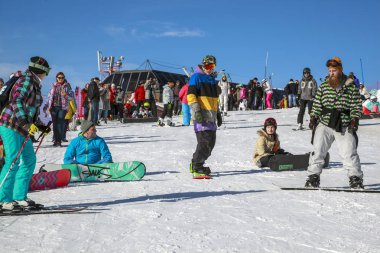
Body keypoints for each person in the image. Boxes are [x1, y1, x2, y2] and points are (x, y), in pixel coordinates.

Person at [0, 56, 51, 212]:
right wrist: (24, 122)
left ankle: (19, 196)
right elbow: (17, 101)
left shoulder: (35, 83)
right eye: (46, 72)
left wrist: (40, 126)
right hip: (11, 124)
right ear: (40, 70)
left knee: (29, 159)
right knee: (13, 160)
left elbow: (31, 109)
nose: (46, 75)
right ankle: (3, 199)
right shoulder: (26, 80)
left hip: (22, 127)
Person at [306, 57, 363, 189]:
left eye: (334, 70)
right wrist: (314, 117)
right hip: (325, 122)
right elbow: (317, 103)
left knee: (349, 151)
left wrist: (354, 119)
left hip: (344, 124)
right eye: (330, 70)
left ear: (340, 70)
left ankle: (355, 178)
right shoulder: (324, 86)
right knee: (318, 150)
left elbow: (356, 106)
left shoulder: (351, 86)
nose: (331, 73)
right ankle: (313, 177)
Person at [187, 55, 219, 177]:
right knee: (204, 143)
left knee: (211, 143)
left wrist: (219, 114)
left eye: (212, 66)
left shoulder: (211, 80)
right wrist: (196, 111)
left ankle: (196, 163)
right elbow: (191, 95)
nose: (209, 68)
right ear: (203, 64)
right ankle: (197, 166)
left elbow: (214, 100)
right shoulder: (196, 77)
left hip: (211, 116)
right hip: (201, 115)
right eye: (207, 65)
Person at [47, 72, 74, 147]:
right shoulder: (54, 85)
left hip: (63, 107)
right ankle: (56, 140)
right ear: (56, 78)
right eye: (59, 77)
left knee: (60, 123)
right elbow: (50, 96)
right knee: (55, 124)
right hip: (53, 107)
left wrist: (65, 95)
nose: (61, 79)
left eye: (62, 77)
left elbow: (71, 97)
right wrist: (48, 106)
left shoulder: (67, 86)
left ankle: (59, 141)